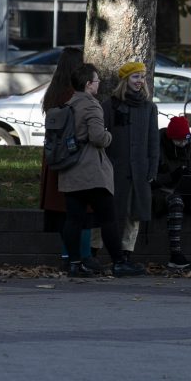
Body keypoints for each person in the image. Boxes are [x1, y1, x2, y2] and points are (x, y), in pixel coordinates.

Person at [58, 63, 145, 277]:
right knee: (108, 218)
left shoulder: (68, 104)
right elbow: (98, 137)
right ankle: (118, 262)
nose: (98, 84)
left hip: (70, 171)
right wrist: (109, 136)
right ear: (88, 84)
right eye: (96, 81)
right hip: (92, 172)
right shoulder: (92, 105)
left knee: (73, 220)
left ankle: (74, 263)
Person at [39, 47, 98, 272]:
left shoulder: (53, 92)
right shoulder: (76, 95)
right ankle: (82, 257)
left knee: (62, 212)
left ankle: (67, 255)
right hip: (74, 156)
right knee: (82, 211)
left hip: (54, 154)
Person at [98, 62, 159, 263]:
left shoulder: (149, 107)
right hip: (115, 168)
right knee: (112, 211)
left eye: (142, 77)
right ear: (125, 80)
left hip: (139, 170)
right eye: (135, 77)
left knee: (134, 214)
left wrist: (152, 168)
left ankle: (126, 253)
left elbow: (153, 141)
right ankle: (100, 251)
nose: (140, 81)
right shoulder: (110, 106)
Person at [155, 116, 191, 269]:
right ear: (171, 138)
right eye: (178, 140)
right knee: (176, 202)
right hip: (165, 191)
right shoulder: (158, 146)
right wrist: (173, 175)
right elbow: (153, 178)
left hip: (187, 190)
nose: (183, 143)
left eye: (185, 139)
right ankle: (175, 254)